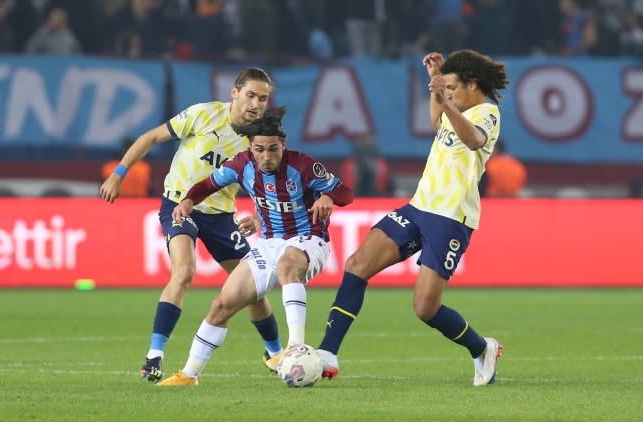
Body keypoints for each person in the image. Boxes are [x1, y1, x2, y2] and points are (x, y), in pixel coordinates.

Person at [316, 50, 509, 387]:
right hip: (419, 207)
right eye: (446, 89)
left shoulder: (486, 113)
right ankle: (327, 352)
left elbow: (474, 140)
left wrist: (445, 101)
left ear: (472, 84)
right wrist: (436, 85)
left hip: (450, 217)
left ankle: (481, 349)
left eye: (453, 87)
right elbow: (437, 123)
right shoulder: (454, 111)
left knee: (425, 308)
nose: (449, 95)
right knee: (357, 264)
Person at [100, 67, 284, 383]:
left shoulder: (261, 138)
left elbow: (269, 182)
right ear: (235, 93)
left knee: (251, 287)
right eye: (250, 95)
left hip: (221, 217)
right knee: (184, 270)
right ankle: (154, 355)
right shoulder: (203, 115)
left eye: (263, 98)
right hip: (179, 206)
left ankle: (275, 354)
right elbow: (150, 138)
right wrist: (119, 174)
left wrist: (257, 216)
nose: (256, 104)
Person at [155, 106, 354, 386]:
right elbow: (206, 185)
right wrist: (188, 200)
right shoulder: (241, 164)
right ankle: (189, 375)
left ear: (283, 144)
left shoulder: (304, 165)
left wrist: (329, 197)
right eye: (259, 149)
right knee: (222, 304)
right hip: (268, 244)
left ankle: (295, 347)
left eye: (273, 149)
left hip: (308, 239)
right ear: (250, 147)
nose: (266, 157)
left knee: (287, 265)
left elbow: (346, 192)